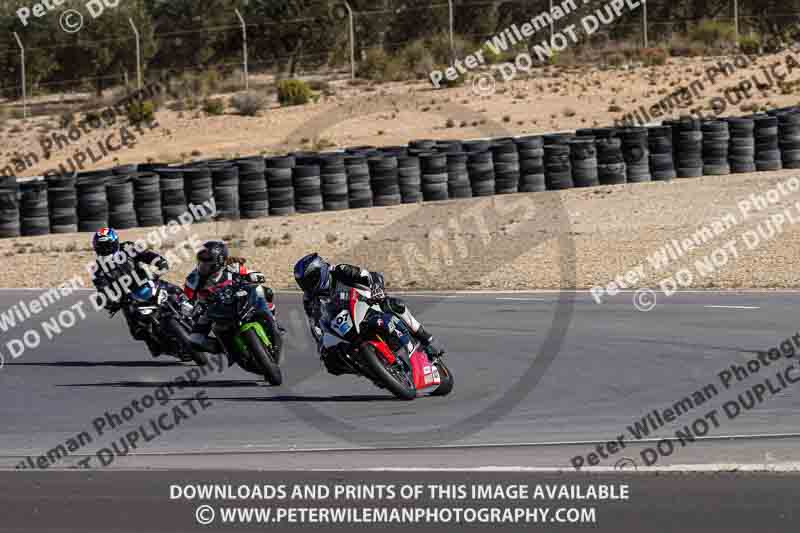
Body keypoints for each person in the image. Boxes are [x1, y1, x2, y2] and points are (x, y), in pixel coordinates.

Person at [293, 253, 444, 376]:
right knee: (331, 363)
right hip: (344, 325)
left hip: (367, 304)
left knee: (395, 305)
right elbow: (314, 324)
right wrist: (320, 344)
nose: (307, 286)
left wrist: (377, 288)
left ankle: (426, 339)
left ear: (321, 271)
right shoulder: (309, 299)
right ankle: (370, 371)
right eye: (303, 283)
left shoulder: (339, 270)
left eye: (310, 280)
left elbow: (371, 275)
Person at [90, 227, 173, 357]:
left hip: (145, 281)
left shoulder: (127, 247)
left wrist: (158, 261)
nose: (105, 249)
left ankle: (191, 306)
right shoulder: (97, 269)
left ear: (115, 242)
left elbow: (145, 254)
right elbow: (102, 287)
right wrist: (108, 301)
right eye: (102, 246)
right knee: (137, 331)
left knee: (172, 290)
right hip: (126, 298)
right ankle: (157, 343)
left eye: (107, 245)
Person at [184, 240, 277, 352]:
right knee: (194, 340)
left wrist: (254, 276)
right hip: (211, 309)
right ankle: (226, 348)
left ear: (220, 260)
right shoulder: (194, 278)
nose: (203, 265)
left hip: (237, 298)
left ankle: (272, 322)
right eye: (202, 261)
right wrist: (192, 306)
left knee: (265, 291)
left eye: (208, 261)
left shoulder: (232, 267)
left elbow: (252, 274)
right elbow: (188, 298)